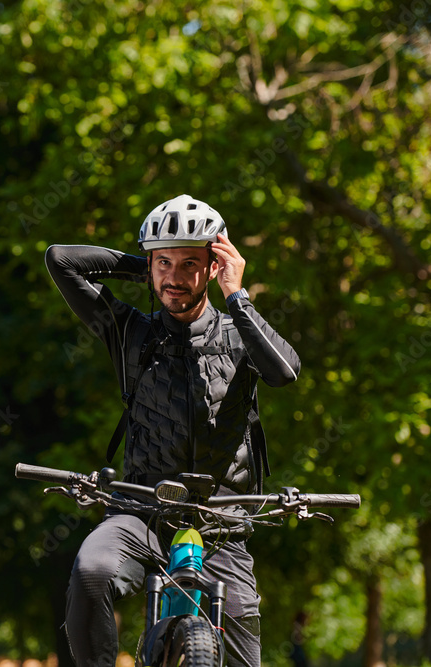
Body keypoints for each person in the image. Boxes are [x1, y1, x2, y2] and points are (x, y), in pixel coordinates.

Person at [44, 194, 301, 667]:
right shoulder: (129, 331)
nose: (175, 276)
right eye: (164, 262)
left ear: (213, 265)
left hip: (221, 521)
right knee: (91, 570)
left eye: (189, 263)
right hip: (140, 510)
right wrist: (145, 266)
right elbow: (61, 260)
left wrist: (237, 297)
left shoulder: (237, 333)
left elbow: (285, 371)